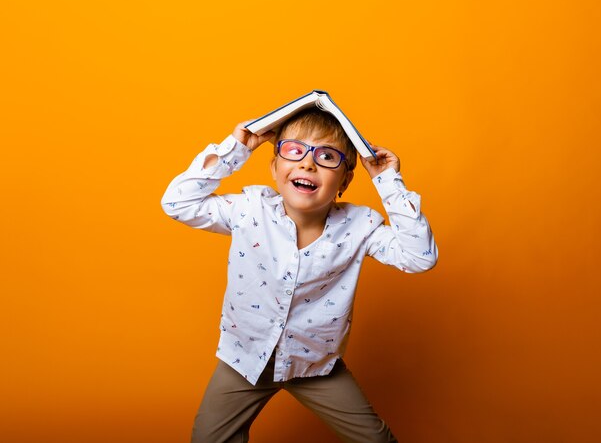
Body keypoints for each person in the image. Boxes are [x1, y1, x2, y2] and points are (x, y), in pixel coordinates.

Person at [161, 108, 438, 442]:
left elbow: (420, 257)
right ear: (275, 168)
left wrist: (387, 180)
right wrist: (238, 149)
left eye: (326, 157)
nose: (308, 164)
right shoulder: (249, 209)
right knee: (208, 438)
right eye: (294, 150)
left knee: (375, 439)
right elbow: (177, 203)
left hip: (315, 366)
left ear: (344, 181)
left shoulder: (360, 226)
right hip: (245, 360)